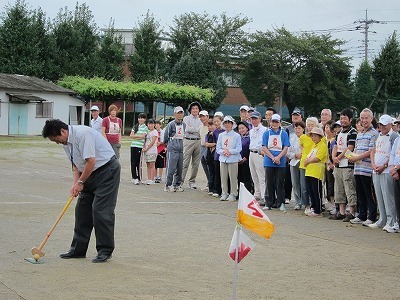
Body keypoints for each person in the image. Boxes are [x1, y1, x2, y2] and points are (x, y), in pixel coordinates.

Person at [42, 119, 120, 263]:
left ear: (63, 131)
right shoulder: (66, 143)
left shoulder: (82, 134)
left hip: (107, 171)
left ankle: (105, 250)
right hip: (88, 173)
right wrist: (75, 184)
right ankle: (78, 249)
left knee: (101, 211)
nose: (57, 142)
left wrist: (81, 182)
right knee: (82, 211)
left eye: (56, 139)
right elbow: (76, 165)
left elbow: (91, 161)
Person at [348, 108, 378, 225]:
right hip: (358, 168)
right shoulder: (360, 134)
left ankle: (372, 216)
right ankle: (362, 215)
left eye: (367, 118)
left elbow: (371, 151)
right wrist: (352, 156)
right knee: (360, 192)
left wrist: (357, 157)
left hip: (367, 168)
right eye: (362, 118)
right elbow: (356, 149)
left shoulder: (374, 133)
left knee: (369, 193)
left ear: (371, 119)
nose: (364, 120)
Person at [369, 115, 399, 232]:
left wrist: (384, 165)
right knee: (379, 196)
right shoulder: (379, 135)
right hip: (376, 170)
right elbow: (373, 150)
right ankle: (382, 219)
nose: (382, 127)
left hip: (386, 171)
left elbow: (393, 154)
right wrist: (373, 164)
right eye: (380, 125)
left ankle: (391, 220)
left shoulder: (394, 136)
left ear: (390, 125)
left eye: (384, 125)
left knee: (388, 197)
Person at [330, 109, 358, 222]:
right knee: (339, 188)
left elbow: (350, 147)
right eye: (341, 118)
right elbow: (335, 146)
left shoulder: (353, 132)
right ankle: (341, 211)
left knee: (349, 188)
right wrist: (333, 158)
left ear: (350, 119)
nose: (342, 120)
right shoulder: (339, 132)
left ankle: (352, 212)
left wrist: (339, 157)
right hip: (338, 165)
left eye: (345, 118)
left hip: (347, 164)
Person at [262, 114, 290, 211]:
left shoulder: (284, 133)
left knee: (280, 182)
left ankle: (280, 202)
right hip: (269, 161)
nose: (274, 123)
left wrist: (278, 157)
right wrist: (272, 157)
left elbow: (286, 147)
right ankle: (268, 202)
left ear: (280, 123)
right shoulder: (266, 133)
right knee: (269, 182)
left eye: (276, 122)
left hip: (280, 161)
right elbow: (264, 147)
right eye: (273, 121)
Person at [304, 127, 328, 217]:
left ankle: (318, 210)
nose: (313, 138)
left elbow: (318, 158)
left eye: (315, 136)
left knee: (316, 191)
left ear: (319, 136)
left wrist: (308, 161)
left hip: (317, 172)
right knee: (311, 191)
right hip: (309, 171)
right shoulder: (313, 146)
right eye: (312, 136)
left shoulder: (323, 146)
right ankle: (313, 207)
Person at [216, 116, 242, 201]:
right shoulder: (221, 135)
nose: (227, 124)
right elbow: (218, 148)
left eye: (229, 122)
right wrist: (224, 152)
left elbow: (239, 148)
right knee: (223, 177)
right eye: (225, 123)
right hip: (223, 159)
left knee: (233, 177)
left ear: (232, 124)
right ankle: (224, 193)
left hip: (233, 159)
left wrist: (229, 151)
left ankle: (233, 193)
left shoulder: (236, 135)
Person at [163, 106, 186, 192]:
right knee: (171, 169)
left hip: (181, 150)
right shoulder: (171, 124)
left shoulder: (184, 125)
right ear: (174, 114)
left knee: (179, 169)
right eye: (178, 113)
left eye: (181, 113)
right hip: (172, 149)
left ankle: (177, 185)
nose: (180, 115)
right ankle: (168, 185)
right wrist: (168, 144)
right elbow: (166, 136)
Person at [299, 117, 319, 214]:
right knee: (304, 186)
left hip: (314, 164)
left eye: (312, 125)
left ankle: (314, 205)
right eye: (309, 125)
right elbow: (301, 146)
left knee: (313, 187)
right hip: (304, 163)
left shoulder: (319, 138)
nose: (310, 127)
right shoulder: (303, 137)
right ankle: (306, 204)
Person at [182, 101, 203, 189]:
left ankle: (192, 181)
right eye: (193, 108)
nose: (195, 110)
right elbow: (187, 129)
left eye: (196, 108)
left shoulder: (201, 119)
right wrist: (196, 130)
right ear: (190, 110)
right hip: (188, 141)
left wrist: (193, 129)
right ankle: (180, 181)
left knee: (196, 163)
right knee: (185, 162)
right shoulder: (186, 118)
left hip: (198, 141)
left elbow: (200, 130)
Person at [248, 111, 267, 204]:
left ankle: (264, 196)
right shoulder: (251, 131)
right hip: (251, 152)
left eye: (255, 119)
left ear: (260, 119)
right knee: (253, 174)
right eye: (252, 119)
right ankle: (257, 194)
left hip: (259, 153)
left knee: (261, 175)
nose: (254, 121)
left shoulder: (264, 130)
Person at [285, 108, 303, 204]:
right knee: (292, 180)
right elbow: (287, 144)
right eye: (293, 115)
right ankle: (295, 200)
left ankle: (304, 200)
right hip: (291, 158)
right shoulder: (288, 129)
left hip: (303, 159)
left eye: (297, 115)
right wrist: (291, 155)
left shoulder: (305, 128)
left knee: (302, 182)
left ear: (301, 116)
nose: (295, 117)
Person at [287, 121, 305, 210]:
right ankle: (297, 202)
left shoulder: (306, 138)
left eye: (299, 128)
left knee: (303, 183)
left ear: (303, 129)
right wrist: (294, 155)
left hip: (303, 162)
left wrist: (302, 155)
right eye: (296, 128)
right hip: (293, 162)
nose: (297, 130)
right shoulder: (292, 139)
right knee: (295, 183)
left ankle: (305, 201)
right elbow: (288, 152)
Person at [129, 113, 148, 185]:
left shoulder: (145, 128)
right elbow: (131, 136)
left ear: (145, 119)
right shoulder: (135, 126)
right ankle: (134, 177)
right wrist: (137, 136)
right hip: (133, 146)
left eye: (142, 118)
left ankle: (138, 177)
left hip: (139, 146)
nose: (141, 119)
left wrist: (135, 136)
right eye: (139, 118)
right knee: (133, 162)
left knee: (138, 163)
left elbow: (142, 137)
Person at [211, 112, 225, 197]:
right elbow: (215, 143)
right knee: (217, 173)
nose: (216, 123)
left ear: (221, 121)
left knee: (224, 173)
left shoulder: (225, 130)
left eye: (217, 121)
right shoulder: (215, 132)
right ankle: (216, 190)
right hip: (217, 155)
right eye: (214, 122)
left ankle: (225, 190)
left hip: (225, 154)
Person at [237, 121, 253, 194]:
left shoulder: (250, 137)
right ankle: (241, 194)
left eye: (242, 128)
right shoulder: (238, 137)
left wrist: (245, 158)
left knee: (247, 178)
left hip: (247, 161)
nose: (241, 130)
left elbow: (251, 149)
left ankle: (248, 193)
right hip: (238, 161)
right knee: (239, 178)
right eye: (239, 128)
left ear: (247, 128)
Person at [389, 134, 400, 231]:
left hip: (398, 169)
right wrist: (392, 167)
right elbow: (392, 154)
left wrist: (396, 168)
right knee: (397, 199)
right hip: (395, 171)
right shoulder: (397, 139)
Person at [143, 119, 158, 185]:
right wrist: (144, 148)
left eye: (152, 124)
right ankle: (149, 179)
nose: (150, 125)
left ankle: (152, 179)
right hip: (146, 151)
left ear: (154, 124)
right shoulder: (147, 132)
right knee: (148, 164)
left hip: (152, 150)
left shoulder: (155, 132)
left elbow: (152, 142)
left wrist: (147, 148)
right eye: (149, 124)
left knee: (152, 164)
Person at [199, 110, 211, 191]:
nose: (202, 118)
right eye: (201, 116)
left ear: (208, 117)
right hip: (202, 147)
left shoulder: (210, 127)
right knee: (204, 165)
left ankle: (211, 183)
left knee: (209, 166)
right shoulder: (200, 127)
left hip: (209, 148)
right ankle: (208, 182)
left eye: (204, 116)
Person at [205, 119, 216, 195]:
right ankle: (210, 188)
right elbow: (206, 144)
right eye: (208, 126)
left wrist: (213, 144)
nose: (210, 127)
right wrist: (214, 144)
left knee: (216, 172)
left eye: (211, 125)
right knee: (211, 172)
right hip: (209, 155)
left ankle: (216, 188)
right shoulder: (207, 135)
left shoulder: (218, 134)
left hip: (216, 156)